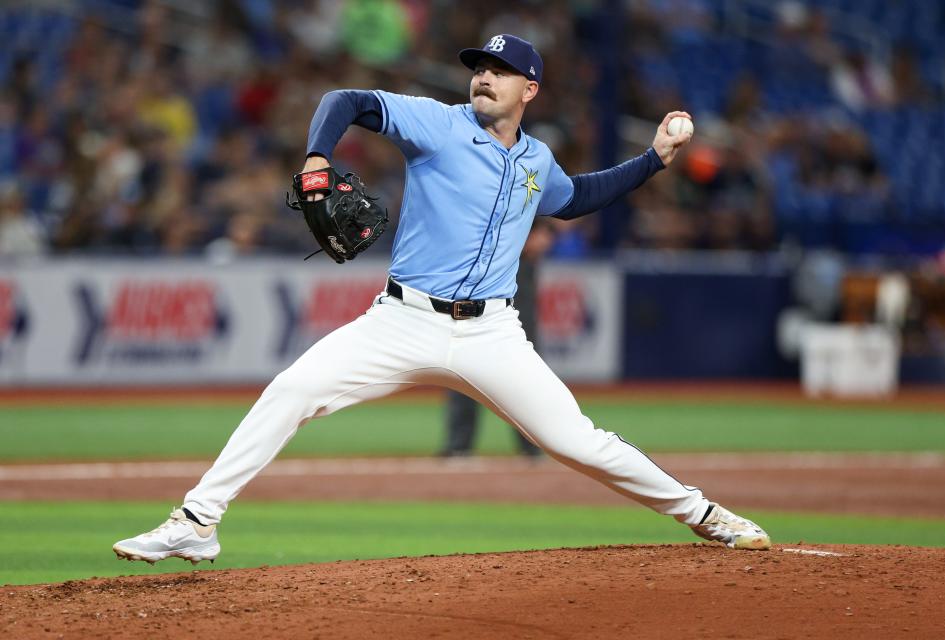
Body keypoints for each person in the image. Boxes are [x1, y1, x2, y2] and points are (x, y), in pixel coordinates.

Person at [113, 34, 770, 564]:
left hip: (492, 336)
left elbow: (577, 200)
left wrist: (654, 157)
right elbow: (346, 99)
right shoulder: (437, 123)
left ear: (529, 89)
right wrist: (318, 156)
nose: (484, 77)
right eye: (480, 67)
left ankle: (704, 514)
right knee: (291, 390)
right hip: (400, 321)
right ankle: (197, 522)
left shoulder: (538, 160)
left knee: (579, 443)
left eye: (501, 70)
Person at [440, 220, 553, 458]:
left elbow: (547, 226)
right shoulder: (491, 211)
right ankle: (458, 446)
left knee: (524, 384)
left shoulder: (524, 195)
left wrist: (534, 235)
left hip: (517, 315)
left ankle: (532, 447)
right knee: (464, 376)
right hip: (480, 310)